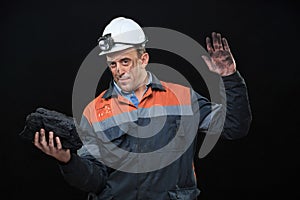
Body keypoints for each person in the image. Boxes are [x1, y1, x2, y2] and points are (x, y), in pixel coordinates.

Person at [34, 16, 252, 200]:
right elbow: (94, 181)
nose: (119, 70)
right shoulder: (95, 112)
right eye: (112, 64)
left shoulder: (182, 97)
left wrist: (229, 77)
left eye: (125, 61)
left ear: (143, 59)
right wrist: (68, 160)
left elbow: (234, 126)